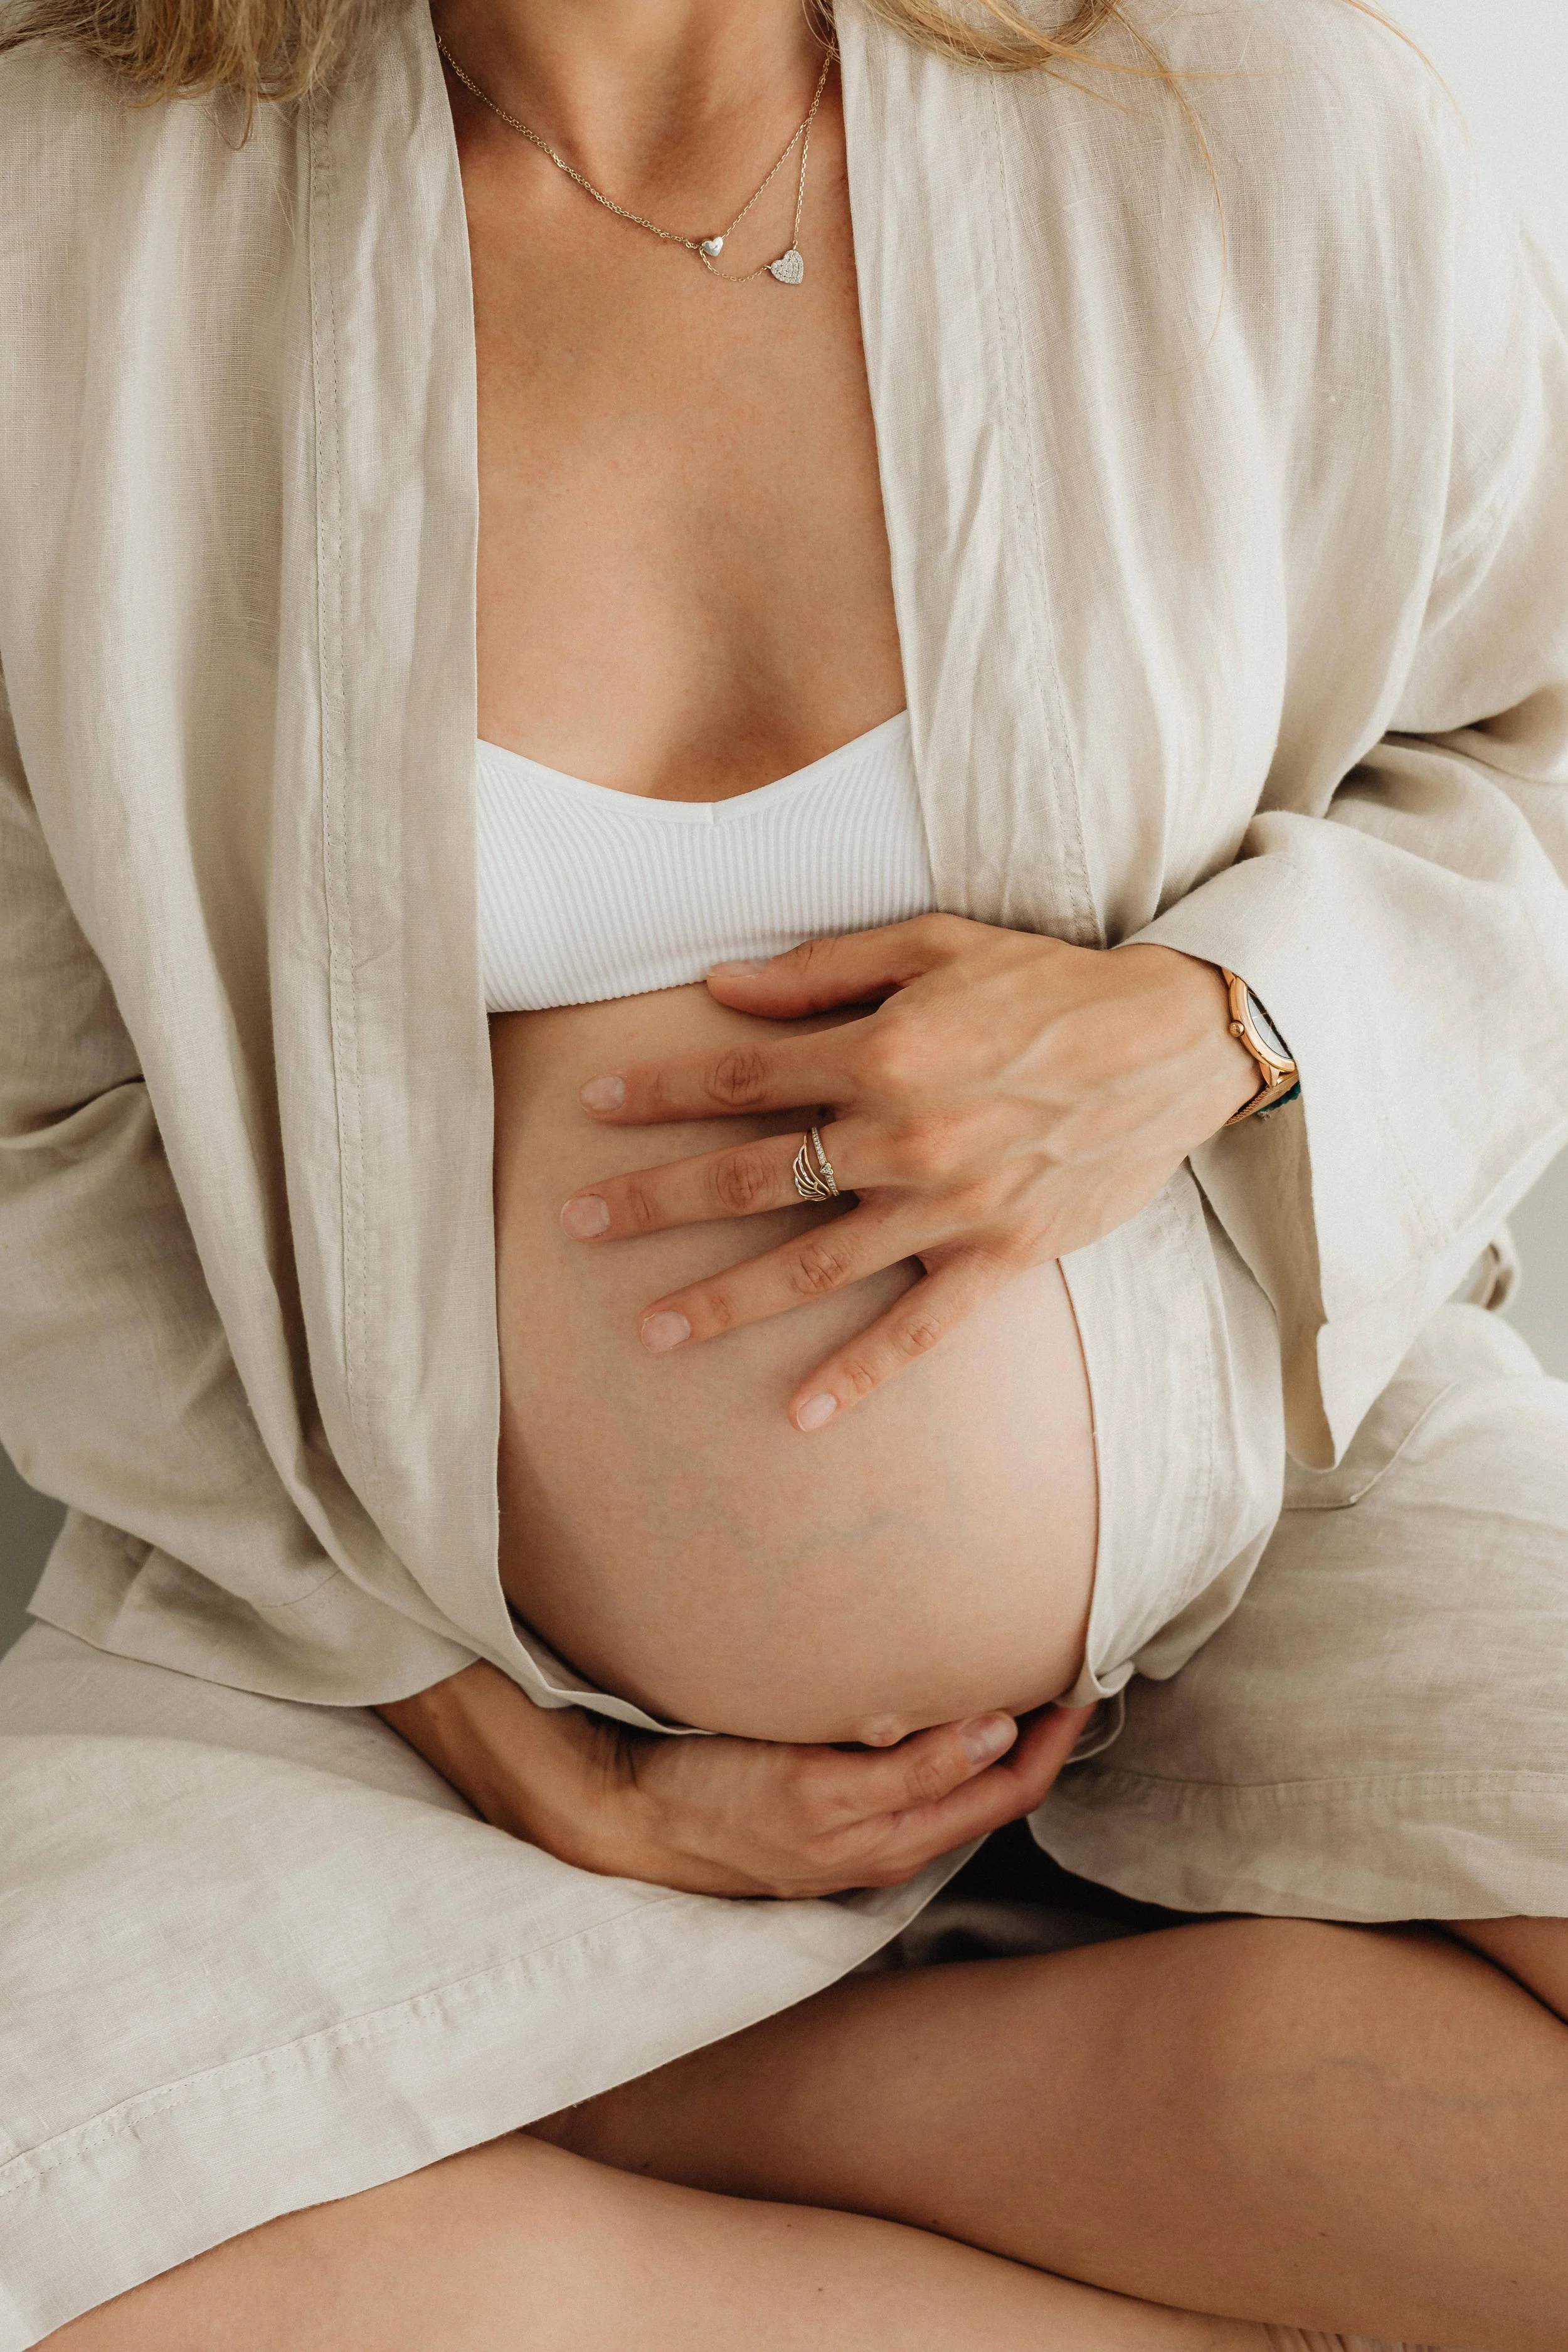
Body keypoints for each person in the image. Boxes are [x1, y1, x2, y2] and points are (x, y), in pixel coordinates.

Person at [0, 0, 1565, 2342]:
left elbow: (1531, 731)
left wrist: (1219, 1022)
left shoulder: (1247, 120)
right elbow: (38, 1114)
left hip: (1279, 1490)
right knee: (79, 2252)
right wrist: (477, 1719)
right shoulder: (72, 228)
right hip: (369, 1617)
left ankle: (706, 2083)